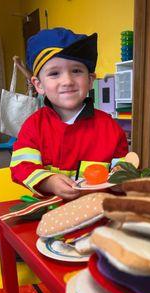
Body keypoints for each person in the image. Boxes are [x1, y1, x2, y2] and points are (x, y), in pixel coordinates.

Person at [10, 28, 128, 200]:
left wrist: (121, 178)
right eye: (54, 73)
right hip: (49, 210)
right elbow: (21, 166)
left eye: (76, 71)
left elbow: (123, 168)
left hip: (98, 211)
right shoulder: (33, 126)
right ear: (38, 84)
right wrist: (48, 181)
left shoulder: (110, 128)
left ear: (90, 80)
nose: (67, 81)